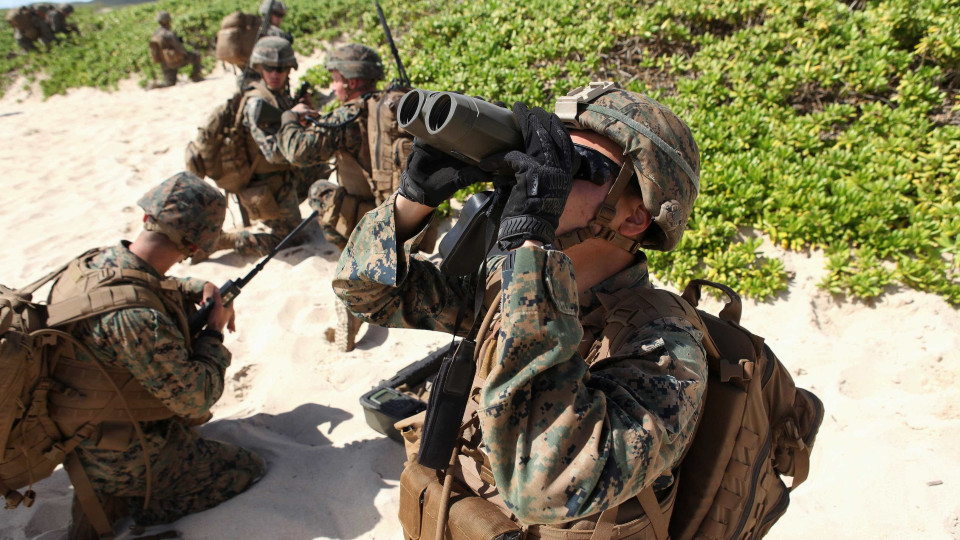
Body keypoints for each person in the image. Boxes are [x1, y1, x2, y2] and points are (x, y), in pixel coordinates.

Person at [333, 83, 706, 535]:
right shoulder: (510, 286)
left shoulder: (664, 347)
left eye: (576, 166)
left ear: (633, 217)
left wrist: (530, 242)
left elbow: (543, 485)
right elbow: (365, 294)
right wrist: (413, 199)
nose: (546, 174)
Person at [48, 172, 265, 538]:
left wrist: (196, 286)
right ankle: (135, 501)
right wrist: (213, 333)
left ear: (149, 216)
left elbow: (141, 280)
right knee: (246, 468)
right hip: (116, 454)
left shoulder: (89, 264)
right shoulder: (138, 321)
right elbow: (197, 399)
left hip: (75, 428)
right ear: (196, 248)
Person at [277, 43, 419, 351]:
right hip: (412, 220)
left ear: (352, 82)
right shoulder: (398, 108)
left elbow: (296, 151)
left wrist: (291, 116)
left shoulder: (346, 116)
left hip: (373, 222)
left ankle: (354, 265)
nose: (333, 86)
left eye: (336, 78)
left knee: (318, 191)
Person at [204, 36, 303, 261]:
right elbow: (275, 154)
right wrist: (295, 123)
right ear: (259, 67)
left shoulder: (276, 95)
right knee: (291, 239)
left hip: (277, 179)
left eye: (281, 68)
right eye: (269, 68)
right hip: (265, 187)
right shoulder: (258, 102)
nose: (275, 74)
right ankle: (225, 240)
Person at [149, 10, 203, 88]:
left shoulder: (155, 34)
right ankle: (195, 77)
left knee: (169, 83)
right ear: (167, 21)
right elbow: (180, 48)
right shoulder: (168, 33)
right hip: (175, 60)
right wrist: (186, 54)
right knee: (196, 55)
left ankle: (155, 85)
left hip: (164, 63)